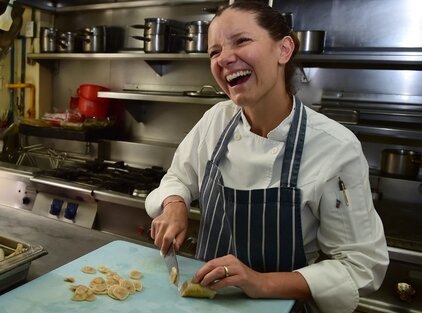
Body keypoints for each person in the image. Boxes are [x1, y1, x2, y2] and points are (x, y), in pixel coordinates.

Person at [145, 2, 389, 313]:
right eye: (214, 52)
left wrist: (260, 282)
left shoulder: (335, 146)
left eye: (242, 41)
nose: (225, 58)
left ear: (284, 50)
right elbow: (179, 176)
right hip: (203, 304)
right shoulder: (216, 120)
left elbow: (360, 266)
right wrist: (175, 205)